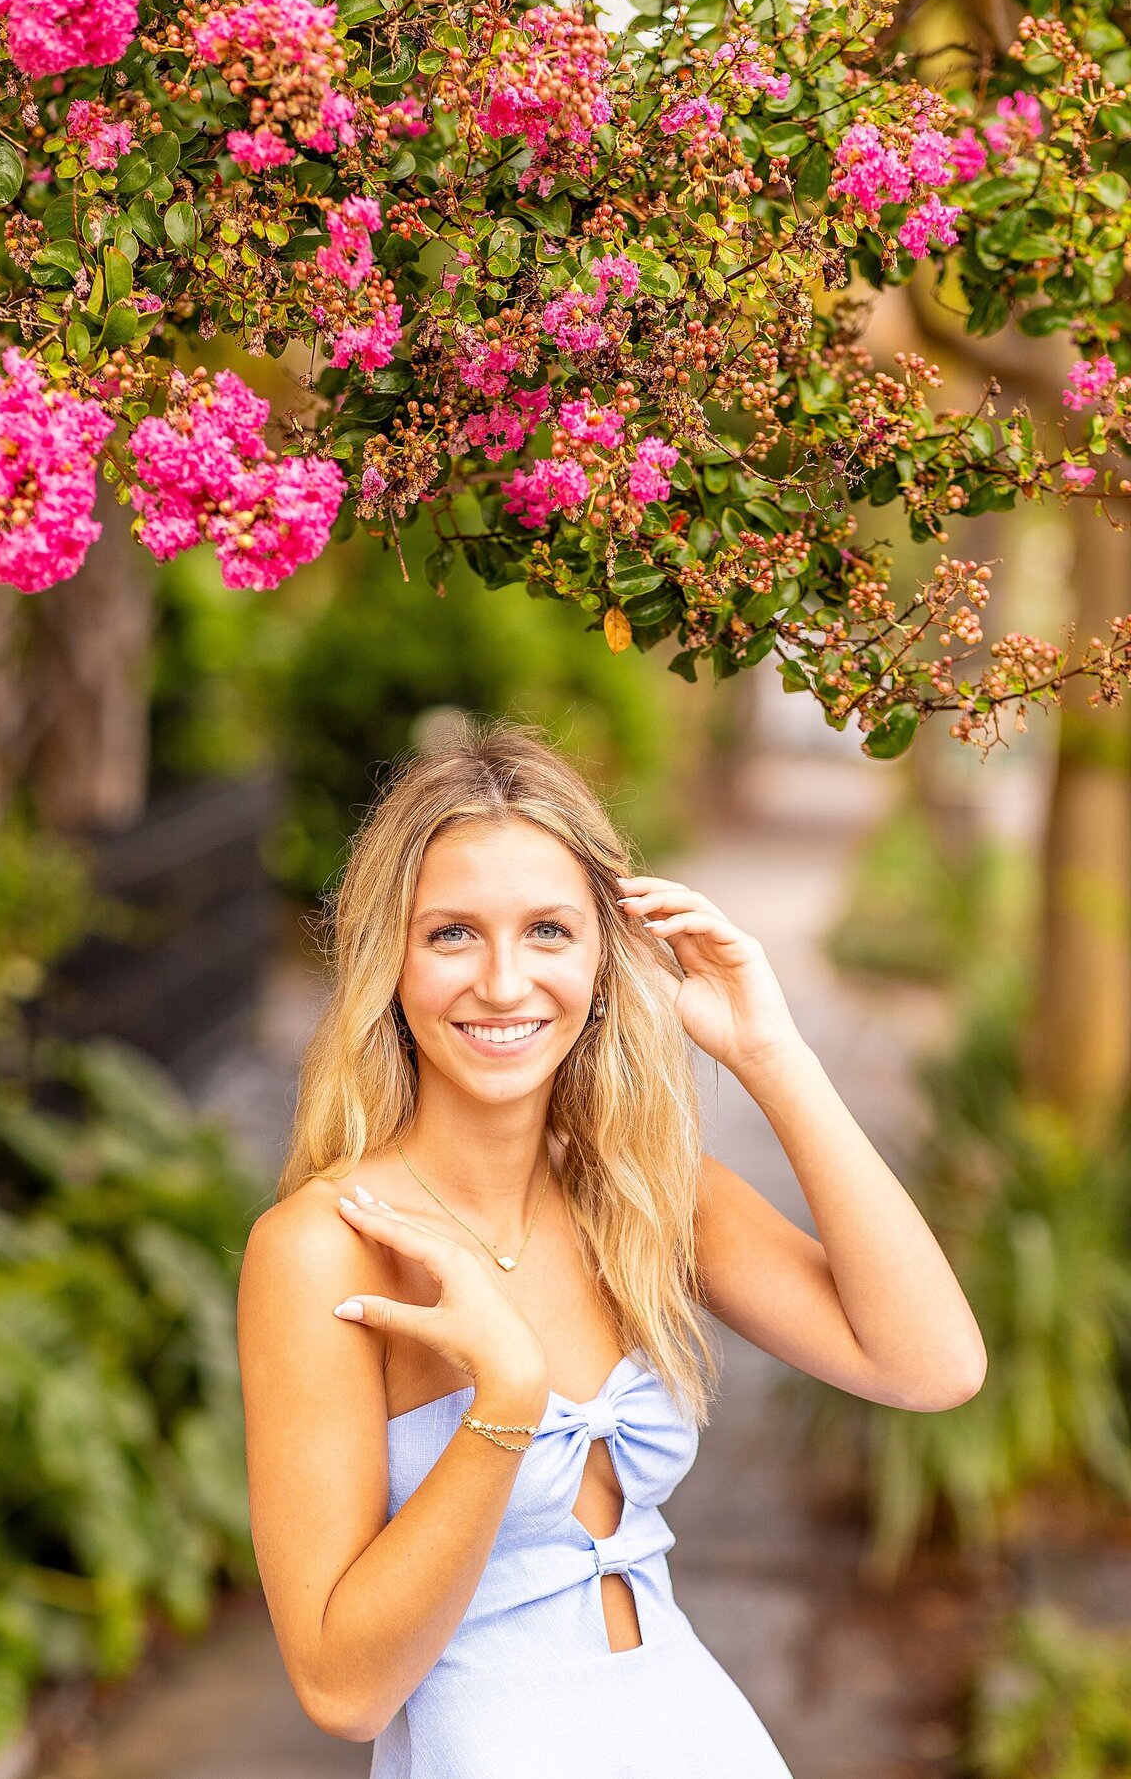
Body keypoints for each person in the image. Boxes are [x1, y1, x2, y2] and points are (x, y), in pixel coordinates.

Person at [237, 717, 987, 1777]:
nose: (503, 983)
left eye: (548, 928)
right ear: (389, 958)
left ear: (603, 952)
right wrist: (505, 1398)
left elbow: (934, 1364)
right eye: (452, 932)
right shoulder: (325, 1248)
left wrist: (771, 1053)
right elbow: (343, 1687)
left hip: (696, 1732)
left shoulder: (639, 1186)